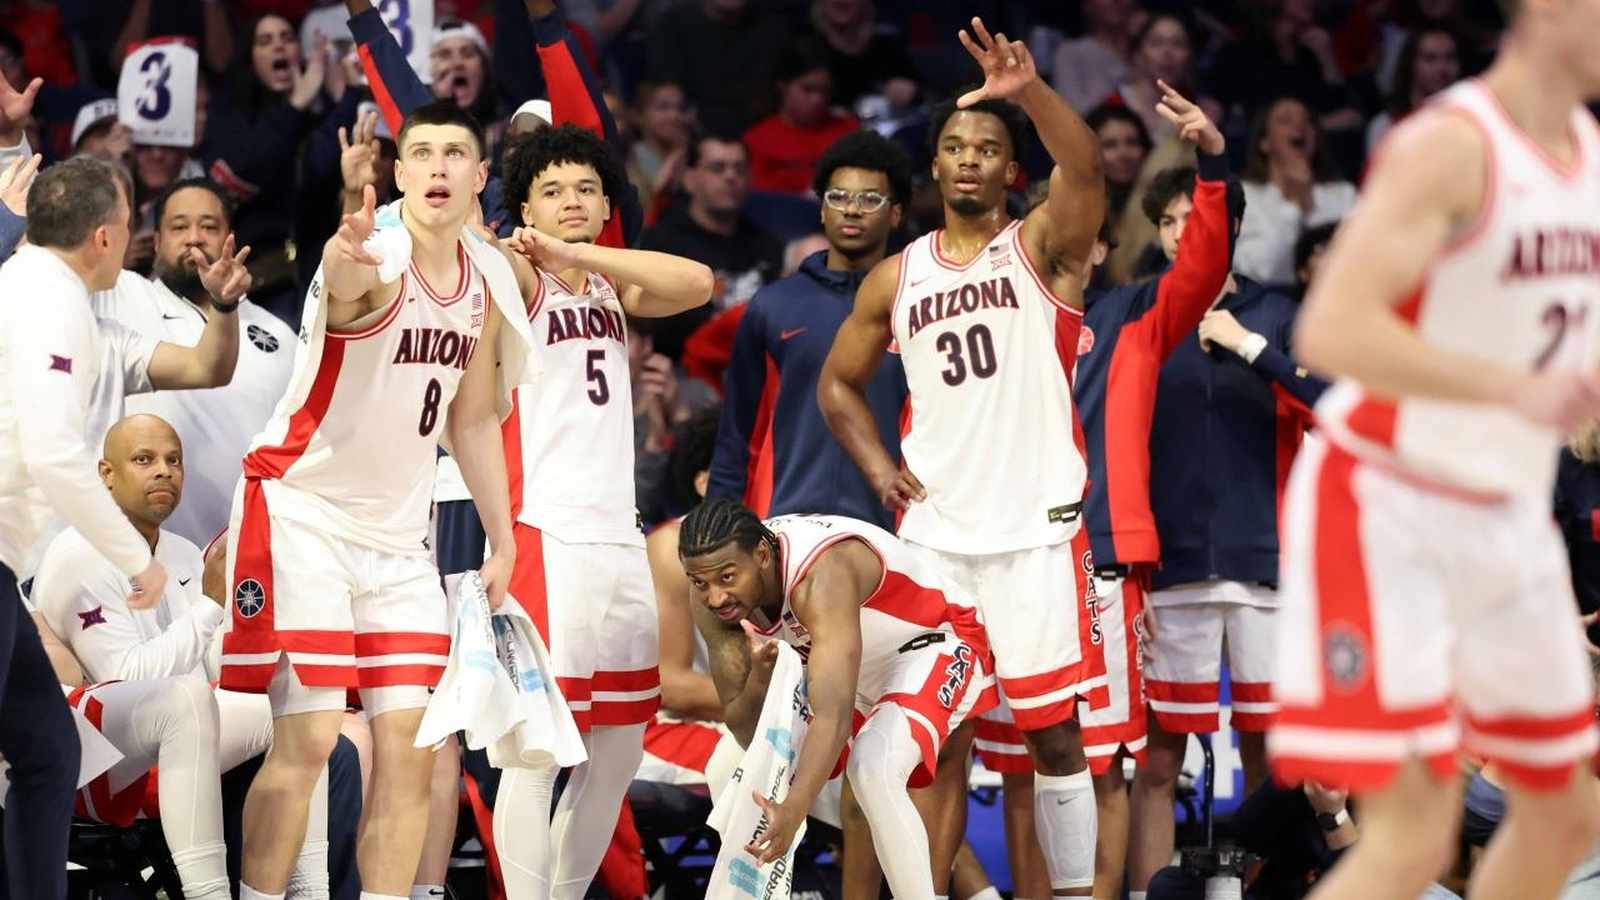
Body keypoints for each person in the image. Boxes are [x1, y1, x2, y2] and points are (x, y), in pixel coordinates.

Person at [1269, 1, 1600, 898]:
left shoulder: (1589, 154)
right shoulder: (1453, 143)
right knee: (1412, 840)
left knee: (1567, 812)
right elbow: (1329, 327)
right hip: (1390, 504)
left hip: (1504, 510)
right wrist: (1510, 386)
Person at [820, 18, 1109, 898]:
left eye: (988, 146)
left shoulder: (1046, 253)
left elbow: (1088, 171)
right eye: (955, 146)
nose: (971, 158)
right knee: (937, 744)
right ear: (935, 170)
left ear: (1011, 171)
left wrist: (1030, 95)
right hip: (938, 539)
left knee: (1052, 735)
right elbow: (838, 385)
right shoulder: (895, 278)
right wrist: (877, 469)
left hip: (1034, 535)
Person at [220, 99, 530, 900]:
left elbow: (470, 416)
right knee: (312, 737)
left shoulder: (486, 279)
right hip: (303, 510)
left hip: (399, 541)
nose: (436, 166)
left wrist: (502, 541)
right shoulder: (371, 252)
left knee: (413, 749)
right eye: (420, 152)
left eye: (453, 154)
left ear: (479, 176)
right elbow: (353, 289)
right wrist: (341, 252)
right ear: (398, 173)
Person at [491, 122, 714, 899]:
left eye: (586, 187)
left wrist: (581, 253)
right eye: (551, 191)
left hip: (617, 536)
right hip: (544, 533)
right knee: (536, 753)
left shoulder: (609, 281)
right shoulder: (516, 275)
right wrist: (546, 254)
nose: (571, 201)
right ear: (523, 207)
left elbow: (699, 283)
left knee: (617, 752)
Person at [30, 414, 330, 900]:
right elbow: (125, 680)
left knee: (302, 705)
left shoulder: (186, 552)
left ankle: (307, 891)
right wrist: (211, 605)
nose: (164, 472)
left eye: (174, 461)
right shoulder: (79, 554)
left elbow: (209, 668)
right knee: (185, 699)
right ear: (107, 474)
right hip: (95, 752)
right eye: (144, 460)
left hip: (182, 730)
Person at [1128, 172, 1327, 898]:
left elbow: (1338, 406)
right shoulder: (1138, 311)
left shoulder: (1278, 312)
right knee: (1156, 760)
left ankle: (1269, 890)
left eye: (1198, 217)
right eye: (1169, 220)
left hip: (1264, 561)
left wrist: (1252, 347)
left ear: (1230, 226)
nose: (1185, 232)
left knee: (1269, 753)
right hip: (1170, 565)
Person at [678, 499, 995, 898]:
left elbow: (833, 717)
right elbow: (745, 727)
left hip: (932, 642)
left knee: (872, 768)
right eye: (700, 583)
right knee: (725, 765)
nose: (716, 597)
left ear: (761, 555)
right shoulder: (710, 592)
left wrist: (792, 811)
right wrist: (758, 679)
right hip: (848, 665)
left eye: (727, 578)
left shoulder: (821, 575)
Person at [0, 153, 142, 900]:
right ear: (103, 236)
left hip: (1, 562)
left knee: (51, 750)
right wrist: (136, 561)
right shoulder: (54, 301)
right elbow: (56, 454)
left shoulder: (24, 278)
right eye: (127, 217)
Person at [709, 130, 910, 529]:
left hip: (903, 527)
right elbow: (737, 434)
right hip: (788, 524)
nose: (852, 210)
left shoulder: (918, 303)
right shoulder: (772, 306)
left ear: (896, 214)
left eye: (870, 199)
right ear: (821, 210)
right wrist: (720, 525)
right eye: (838, 197)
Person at [92, 177, 297, 547]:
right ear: (155, 242)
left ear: (230, 238)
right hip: (144, 550)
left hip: (255, 552)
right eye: (179, 226)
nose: (194, 238)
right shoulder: (121, 298)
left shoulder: (278, 332)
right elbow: (44, 264)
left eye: (209, 226)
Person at [638, 131, 785, 362]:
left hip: (754, 367)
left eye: (739, 168)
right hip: (685, 372)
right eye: (718, 168)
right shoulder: (660, 244)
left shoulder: (768, 244)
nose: (730, 177)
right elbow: (661, 329)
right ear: (690, 178)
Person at [1232, 96, 1356, 289]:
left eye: (1307, 121)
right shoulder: (1244, 195)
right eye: (1285, 120)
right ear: (1264, 142)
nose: (1299, 126)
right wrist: (1295, 204)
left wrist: (1307, 199)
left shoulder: (1343, 194)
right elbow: (1259, 270)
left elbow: (1355, 260)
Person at [742, 37, 860, 196]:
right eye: (808, 89)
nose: (818, 99)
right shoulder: (758, 140)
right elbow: (759, 200)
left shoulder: (849, 131)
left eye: (824, 91)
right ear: (783, 87)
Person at [1366, 26, 1463, 151]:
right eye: (1430, 58)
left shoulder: (1470, 124)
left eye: (1450, 58)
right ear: (1410, 64)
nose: (1442, 68)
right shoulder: (1384, 126)